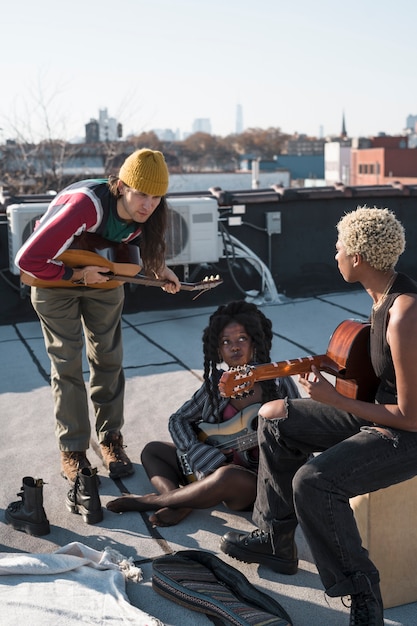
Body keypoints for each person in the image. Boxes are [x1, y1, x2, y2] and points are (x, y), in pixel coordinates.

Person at [219, 206, 417, 626]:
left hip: (406, 434)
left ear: (359, 257)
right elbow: (381, 375)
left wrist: (337, 400)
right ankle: (276, 540)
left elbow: (411, 414)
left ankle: (364, 594)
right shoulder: (379, 297)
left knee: (314, 482)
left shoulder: (405, 313)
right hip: (377, 415)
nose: (335, 254)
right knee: (274, 418)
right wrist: (336, 375)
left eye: (339, 246)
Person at [15, 148, 180, 484]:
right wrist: (77, 277)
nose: (148, 204)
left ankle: (111, 441)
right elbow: (26, 260)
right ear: (121, 186)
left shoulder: (151, 214)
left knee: (109, 359)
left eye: (156, 197)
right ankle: (73, 449)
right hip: (54, 280)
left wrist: (160, 269)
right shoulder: (85, 206)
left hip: (103, 278)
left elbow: (134, 248)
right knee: (67, 363)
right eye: (141, 194)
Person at [106, 300, 300, 527]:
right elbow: (178, 419)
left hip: (253, 483)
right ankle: (179, 502)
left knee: (226, 475)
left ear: (256, 342)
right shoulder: (216, 385)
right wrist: (197, 450)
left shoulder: (277, 382)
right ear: (218, 350)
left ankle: (155, 500)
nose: (234, 347)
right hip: (209, 469)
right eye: (226, 342)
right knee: (153, 451)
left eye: (242, 339)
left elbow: (302, 426)